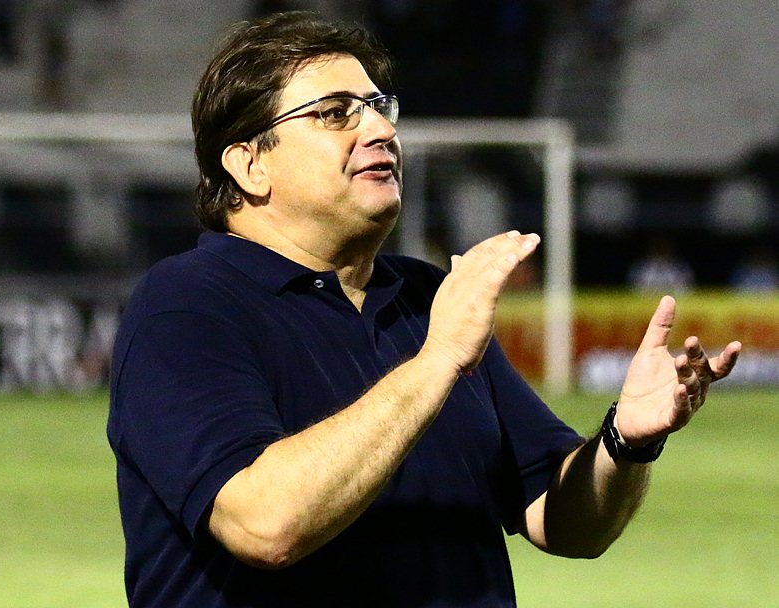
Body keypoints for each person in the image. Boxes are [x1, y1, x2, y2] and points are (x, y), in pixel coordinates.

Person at [107, 12, 742, 608]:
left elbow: (563, 520)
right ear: (249, 164)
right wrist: (438, 359)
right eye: (335, 113)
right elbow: (265, 524)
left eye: (379, 107)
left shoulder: (423, 297)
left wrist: (625, 441)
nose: (381, 130)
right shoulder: (186, 307)